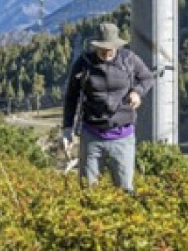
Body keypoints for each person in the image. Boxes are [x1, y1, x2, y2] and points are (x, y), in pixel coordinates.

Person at [61, 22, 154, 192]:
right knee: (88, 190)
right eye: (102, 49)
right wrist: (68, 129)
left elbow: (147, 78)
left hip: (122, 136)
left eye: (110, 49)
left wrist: (137, 92)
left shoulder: (129, 59)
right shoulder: (84, 63)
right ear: (95, 46)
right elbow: (71, 97)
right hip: (92, 136)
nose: (106, 53)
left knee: (125, 190)